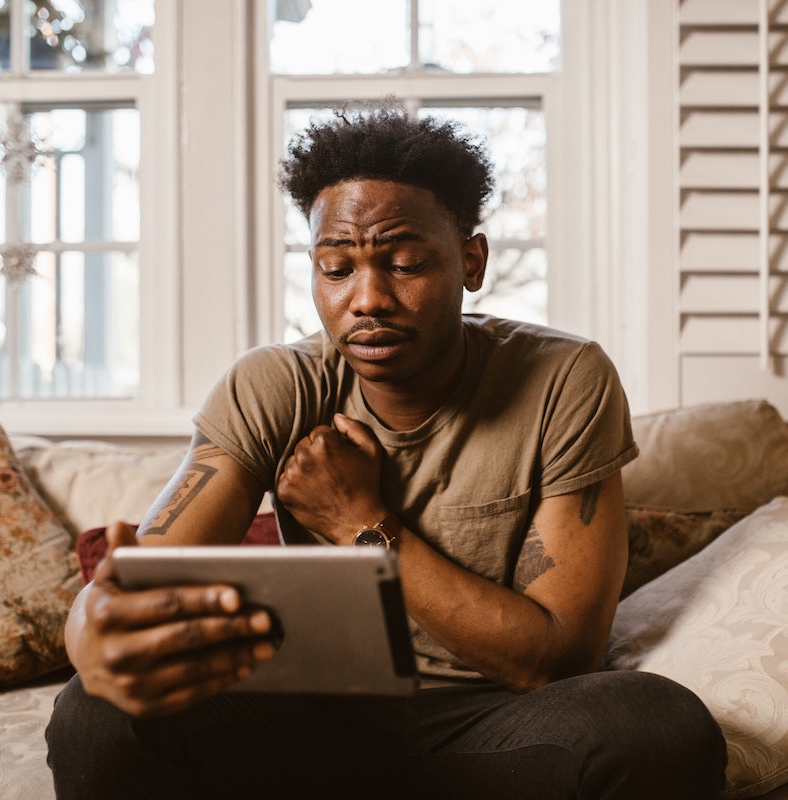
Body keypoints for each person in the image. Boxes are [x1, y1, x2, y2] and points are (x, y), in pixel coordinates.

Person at [46, 104, 726, 799]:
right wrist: (92, 633)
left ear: (471, 260)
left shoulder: (564, 378)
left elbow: (558, 657)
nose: (367, 299)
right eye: (336, 268)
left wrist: (361, 522)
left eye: (403, 263)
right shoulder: (276, 384)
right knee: (97, 710)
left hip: (499, 725)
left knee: (660, 725)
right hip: (308, 720)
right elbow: (143, 586)